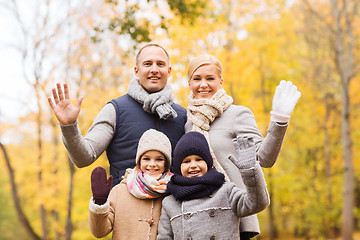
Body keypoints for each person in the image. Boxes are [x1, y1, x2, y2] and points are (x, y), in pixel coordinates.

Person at [185, 54, 301, 238]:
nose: (203, 84)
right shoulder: (189, 123)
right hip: (200, 220)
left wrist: (279, 120)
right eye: (197, 78)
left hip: (235, 214)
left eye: (210, 78)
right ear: (189, 83)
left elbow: (265, 159)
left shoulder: (237, 114)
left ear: (221, 82)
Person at [48, 43, 187, 186]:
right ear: (137, 71)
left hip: (170, 205)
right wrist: (69, 126)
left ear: (169, 71)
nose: (154, 69)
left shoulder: (182, 116)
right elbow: (84, 158)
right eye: (147, 64)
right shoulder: (115, 110)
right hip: (125, 204)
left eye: (160, 64)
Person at [157, 131, 270, 239]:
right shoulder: (169, 202)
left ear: (208, 162)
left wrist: (250, 172)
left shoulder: (226, 191)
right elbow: (164, 237)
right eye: (186, 161)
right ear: (178, 167)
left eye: (199, 159)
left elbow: (257, 203)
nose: (193, 165)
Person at [89, 129, 173, 240]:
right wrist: (100, 203)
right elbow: (99, 232)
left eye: (159, 159)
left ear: (166, 163)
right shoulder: (119, 192)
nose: (152, 164)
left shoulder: (172, 192)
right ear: (139, 161)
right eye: (146, 159)